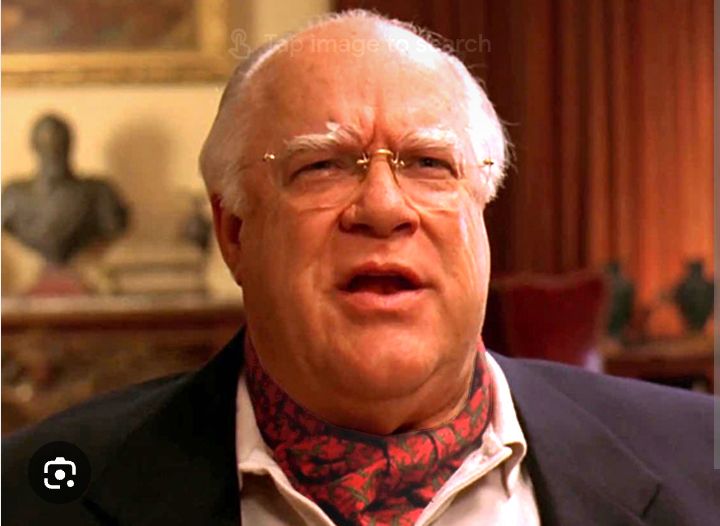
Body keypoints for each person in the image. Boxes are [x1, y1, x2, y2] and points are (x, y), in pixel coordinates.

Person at [3, 10, 717, 526]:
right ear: (234, 232)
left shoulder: (699, 460)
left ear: (481, 211)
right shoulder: (32, 494)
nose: (383, 207)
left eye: (430, 164)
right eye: (321, 166)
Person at [2, 114, 128, 266]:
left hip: (84, 269)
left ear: (70, 145)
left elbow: (114, 227)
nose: (54, 151)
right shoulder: (12, 196)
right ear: (34, 146)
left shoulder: (99, 193)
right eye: (46, 144)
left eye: (60, 143)